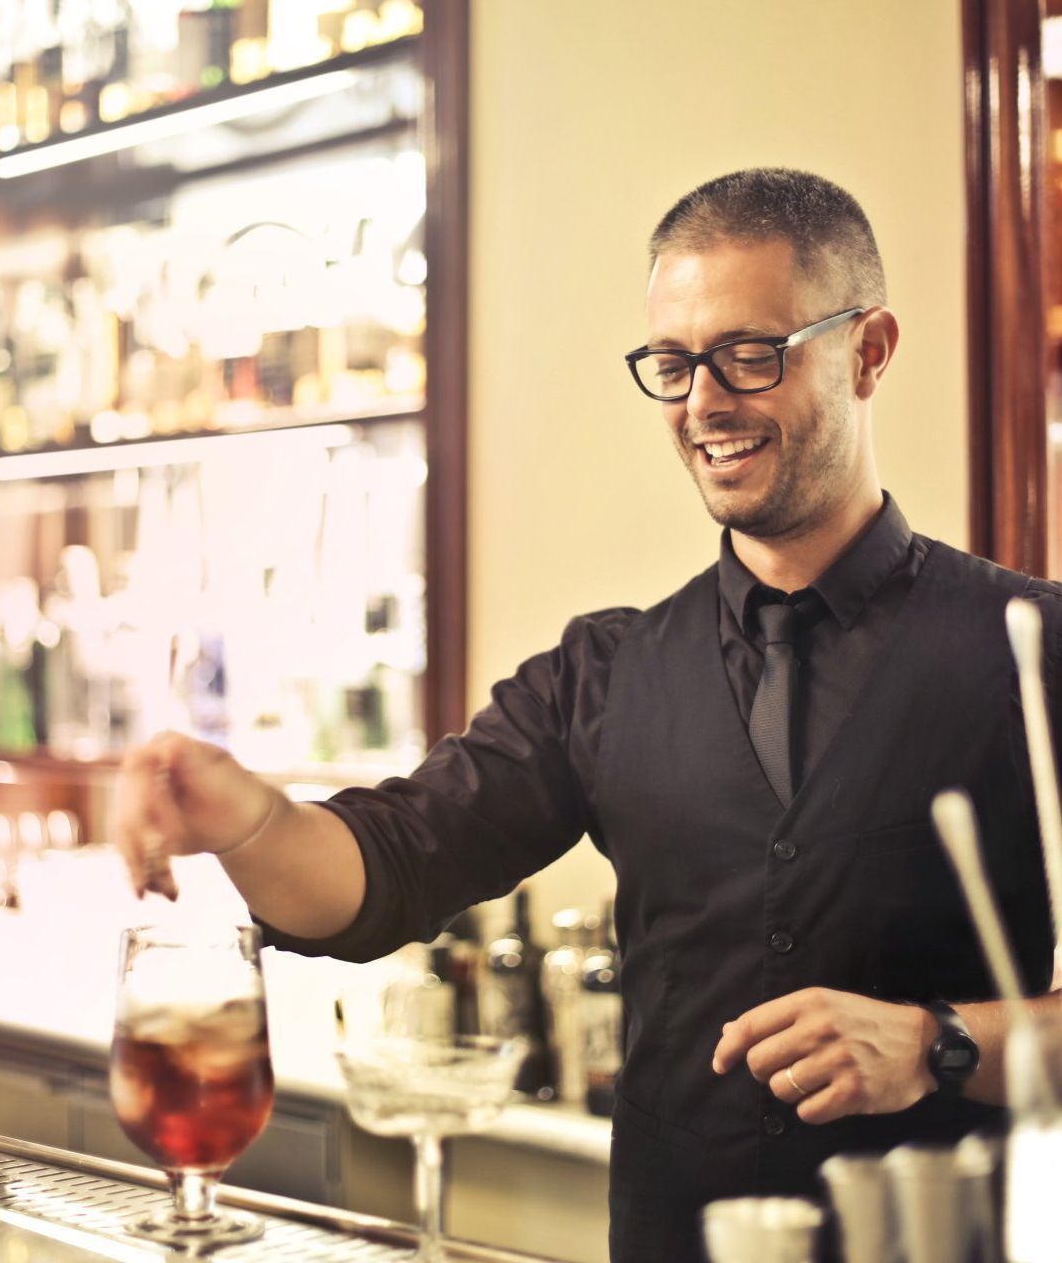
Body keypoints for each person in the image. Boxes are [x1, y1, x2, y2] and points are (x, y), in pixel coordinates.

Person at [115, 168, 1062, 1263]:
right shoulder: (603, 671)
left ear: (867, 349)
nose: (703, 402)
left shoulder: (1027, 646)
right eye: (672, 363)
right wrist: (246, 818)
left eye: (750, 354)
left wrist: (938, 1044)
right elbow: (382, 872)